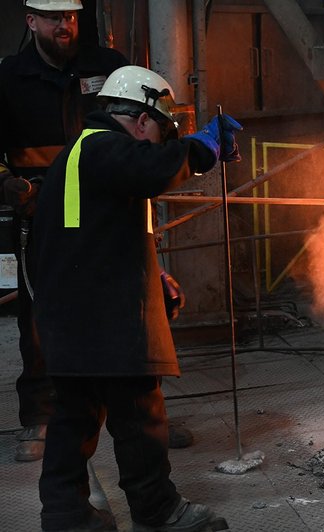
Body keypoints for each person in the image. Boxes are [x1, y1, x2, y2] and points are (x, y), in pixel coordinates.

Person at [33, 65, 241, 531]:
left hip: (72, 318)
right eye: (161, 132)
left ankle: (66, 517)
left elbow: (93, 235)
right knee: (141, 419)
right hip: (107, 319)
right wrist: (203, 147)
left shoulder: (80, 154)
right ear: (143, 121)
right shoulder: (105, 147)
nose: (157, 143)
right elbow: (150, 169)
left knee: (74, 420)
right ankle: (159, 513)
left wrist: (155, 273)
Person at [0, 0, 192, 462]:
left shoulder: (108, 69)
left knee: (138, 309)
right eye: (53, 18)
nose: (65, 25)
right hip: (45, 218)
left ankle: (147, 417)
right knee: (44, 318)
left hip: (113, 210)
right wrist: (8, 185)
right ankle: (44, 417)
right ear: (31, 21)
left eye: (70, 16)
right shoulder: (9, 79)